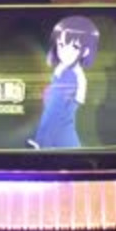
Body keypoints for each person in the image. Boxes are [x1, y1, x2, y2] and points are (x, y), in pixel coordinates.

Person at [27, 16, 100, 149]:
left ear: (86, 51)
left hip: (59, 135)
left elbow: (54, 113)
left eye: (74, 47)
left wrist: (41, 142)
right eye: (61, 45)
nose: (65, 51)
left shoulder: (70, 75)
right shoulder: (65, 71)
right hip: (62, 136)